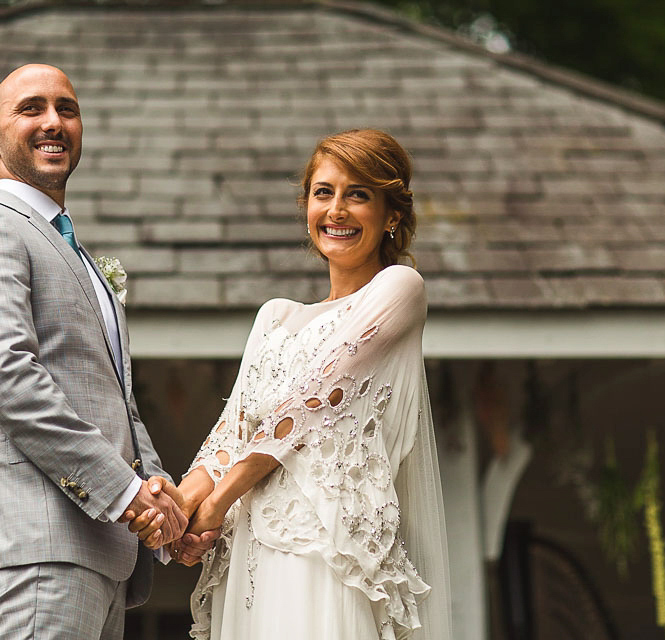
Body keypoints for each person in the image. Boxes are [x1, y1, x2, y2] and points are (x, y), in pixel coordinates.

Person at [143, 129, 452, 638]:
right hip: (251, 550)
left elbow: (302, 411)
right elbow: (232, 433)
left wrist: (214, 506)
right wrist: (179, 504)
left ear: (392, 214)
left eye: (359, 194)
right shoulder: (275, 317)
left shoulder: (399, 289)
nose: (336, 210)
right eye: (323, 192)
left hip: (323, 550)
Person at [0, 64, 194, 640]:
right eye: (31, 108)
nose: (53, 121)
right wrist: (126, 495)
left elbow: (115, 403)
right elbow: (5, 375)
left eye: (66, 109)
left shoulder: (78, 253)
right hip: (36, 547)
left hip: (104, 558)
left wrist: (162, 502)